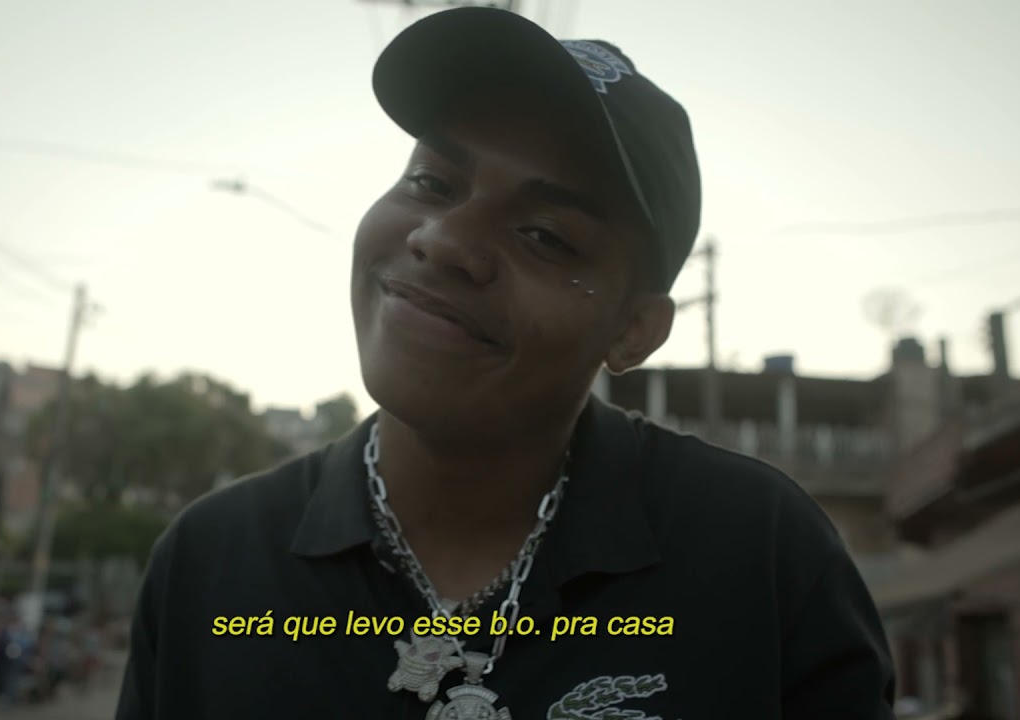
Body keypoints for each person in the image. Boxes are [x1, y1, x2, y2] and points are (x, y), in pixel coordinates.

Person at [117, 8, 893, 719]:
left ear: (633, 330)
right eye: (432, 181)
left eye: (546, 237)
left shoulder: (761, 557)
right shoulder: (210, 563)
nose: (444, 239)